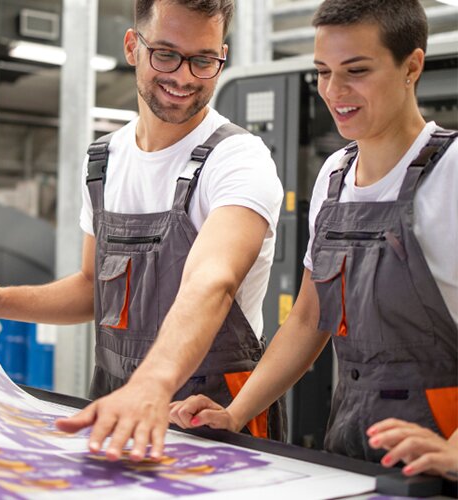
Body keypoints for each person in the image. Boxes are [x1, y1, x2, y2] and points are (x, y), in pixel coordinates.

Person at [0, 0, 286, 461]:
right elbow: (94, 288)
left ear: (221, 55)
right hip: (116, 400)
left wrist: (152, 383)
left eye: (204, 60)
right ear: (133, 46)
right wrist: (1, 302)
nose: (185, 77)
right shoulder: (104, 161)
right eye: (166, 54)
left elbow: (213, 281)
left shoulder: (239, 159)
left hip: (213, 413)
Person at [168, 0, 458, 481]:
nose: (334, 91)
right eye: (323, 71)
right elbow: (307, 319)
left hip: (441, 470)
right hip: (348, 456)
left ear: (412, 66)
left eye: (356, 70)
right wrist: (235, 414)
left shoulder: (451, 173)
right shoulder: (335, 175)